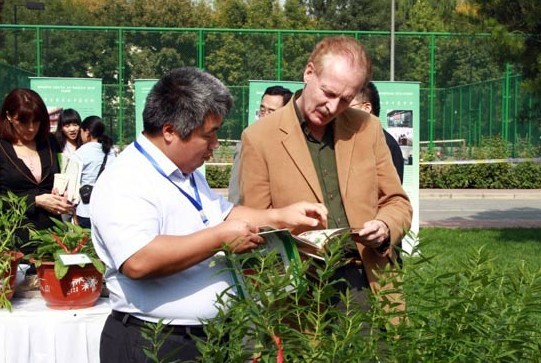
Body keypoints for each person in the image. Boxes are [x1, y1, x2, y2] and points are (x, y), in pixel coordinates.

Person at [90, 67, 328, 362]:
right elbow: (139, 260)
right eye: (209, 135)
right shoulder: (126, 179)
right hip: (154, 344)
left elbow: (223, 215)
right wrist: (219, 239)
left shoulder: (186, 173)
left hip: (205, 341)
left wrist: (281, 217)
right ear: (170, 131)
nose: (215, 145)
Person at [238, 36, 412, 321]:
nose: (333, 107)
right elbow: (255, 222)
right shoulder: (259, 138)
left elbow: (397, 202)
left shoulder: (367, 128)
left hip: (368, 282)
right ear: (309, 73)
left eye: (345, 99)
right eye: (328, 93)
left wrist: (384, 226)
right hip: (301, 293)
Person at [0, 88, 73, 256]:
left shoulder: (49, 142)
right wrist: (35, 201)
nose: (31, 128)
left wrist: (62, 193)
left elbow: (60, 177)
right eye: (23, 121)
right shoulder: (2, 147)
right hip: (11, 241)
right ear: (9, 116)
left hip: (51, 238)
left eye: (36, 121)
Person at [228, 85, 293, 204]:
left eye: (271, 112)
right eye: (262, 110)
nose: (264, 116)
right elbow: (236, 190)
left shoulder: (293, 145)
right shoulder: (248, 142)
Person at [350, 82, 404, 183]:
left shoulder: (388, 145)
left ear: (366, 108)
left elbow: (392, 193)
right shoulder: (344, 139)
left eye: (347, 105)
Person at [73, 116, 116, 228]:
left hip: (85, 211)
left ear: (86, 132)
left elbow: (72, 187)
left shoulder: (80, 153)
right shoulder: (111, 152)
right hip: (106, 210)